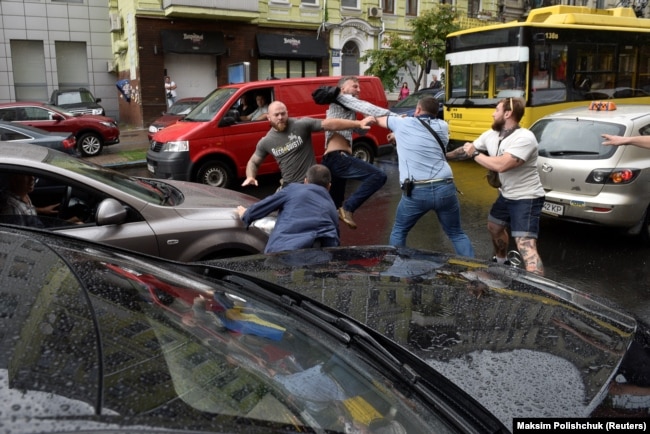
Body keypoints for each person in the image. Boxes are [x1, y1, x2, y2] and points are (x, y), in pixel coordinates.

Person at [449, 97, 545, 275]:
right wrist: (443, 155)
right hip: (506, 194)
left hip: (527, 197)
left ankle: (540, 289)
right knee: (494, 227)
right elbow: (465, 150)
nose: (493, 114)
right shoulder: (491, 135)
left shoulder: (525, 138)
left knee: (525, 245)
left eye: (497, 110)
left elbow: (502, 164)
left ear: (508, 113)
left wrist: (475, 153)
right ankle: (501, 262)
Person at [375, 96, 474, 257]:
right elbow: (423, 142)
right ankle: (473, 271)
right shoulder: (442, 126)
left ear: (418, 109)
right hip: (445, 187)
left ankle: (400, 269)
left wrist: (398, 125)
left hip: (417, 191)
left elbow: (378, 119)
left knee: (399, 231)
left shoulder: (403, 123)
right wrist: (399, 135)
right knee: (456, 233)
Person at [242, 101, 376, 189]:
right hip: (289, 186)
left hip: (310, 184)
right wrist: (250, 176)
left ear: (287, 113)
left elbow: (330, 123)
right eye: (276, 115)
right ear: (269, 118)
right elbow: (253, 162)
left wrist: (358, 123)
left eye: (283, 113)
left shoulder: (301, 125)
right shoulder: (266, 141)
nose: (280, 117)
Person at [323, 76, 392, 229]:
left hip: (334, 159)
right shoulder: (341, 97)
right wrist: (395, 117)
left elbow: (359, 131)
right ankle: (349, 208)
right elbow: (367, 107)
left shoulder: (344, 107)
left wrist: (366, 122)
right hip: (338, 157)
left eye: (359, 87)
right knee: (378, 176)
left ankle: (328, 240)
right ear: (343, 89)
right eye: (355, 86)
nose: (358, 90)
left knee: (334, 208)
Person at [237, 164, 339, 253]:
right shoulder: (331, 207)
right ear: (329, 186)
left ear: (305, 181)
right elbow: (334, 240)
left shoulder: (293, 189)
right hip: (313, 260)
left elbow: (266, 205)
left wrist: (246, 214)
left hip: (280, 251)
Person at [0, 174, 82, 227]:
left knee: (77, 221)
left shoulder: (22, 194)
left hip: (40, 226)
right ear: (14, 180)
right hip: (42, 238)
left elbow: (25, 210)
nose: (32, 178)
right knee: (80, 226)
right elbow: (20, 238)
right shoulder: (11, 208)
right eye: (26, 175)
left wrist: (41, 210)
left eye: (31, 174)